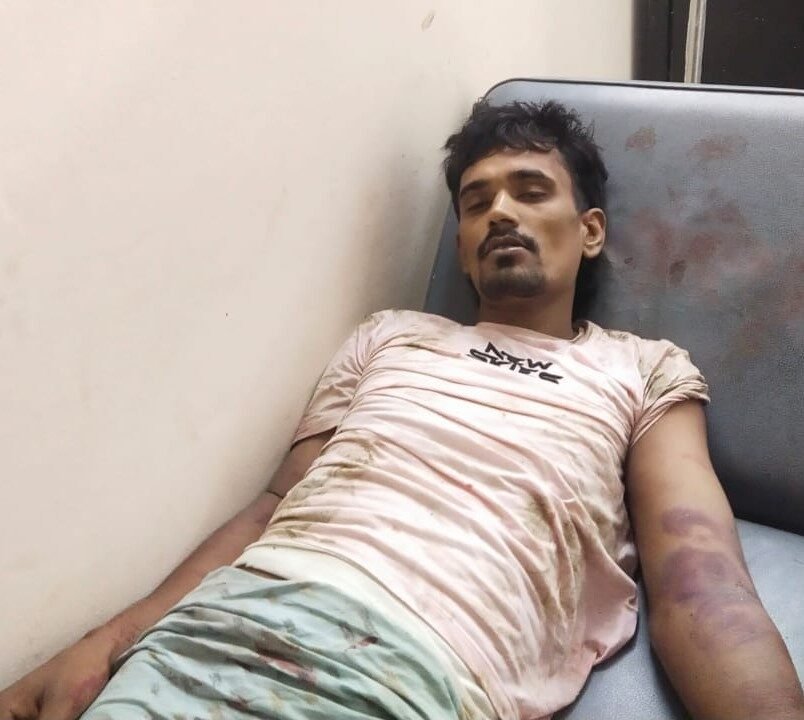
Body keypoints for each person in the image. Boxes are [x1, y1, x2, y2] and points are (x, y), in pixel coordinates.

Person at [2, 99, 802, 720]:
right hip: (215, 634)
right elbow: (274, 505)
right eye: (477, 201)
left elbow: (701, 584)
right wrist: (107, 642)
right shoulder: (389, 337)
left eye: (530, 191)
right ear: (462, 247)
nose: (501, 213)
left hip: (418, 672)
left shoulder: (643, 371)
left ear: (590, 231)